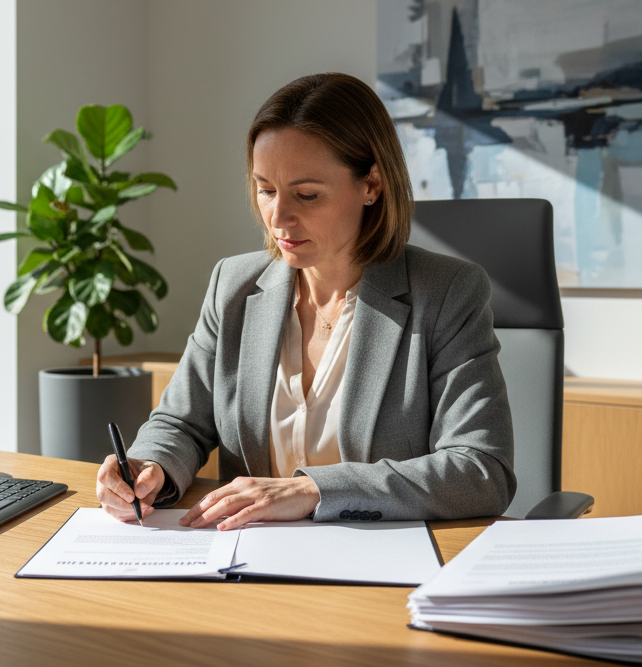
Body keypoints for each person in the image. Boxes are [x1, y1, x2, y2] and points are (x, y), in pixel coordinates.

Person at [96, 72, 516, 530]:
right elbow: (181, 423)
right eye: (266, 189)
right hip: (246, 560)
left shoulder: (447, 292)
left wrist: (313, 489)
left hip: (375, 562)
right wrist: (147, 466)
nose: (278, 217)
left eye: (306, 194)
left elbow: (481, 470)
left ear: (371, 184)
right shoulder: (233, 285)